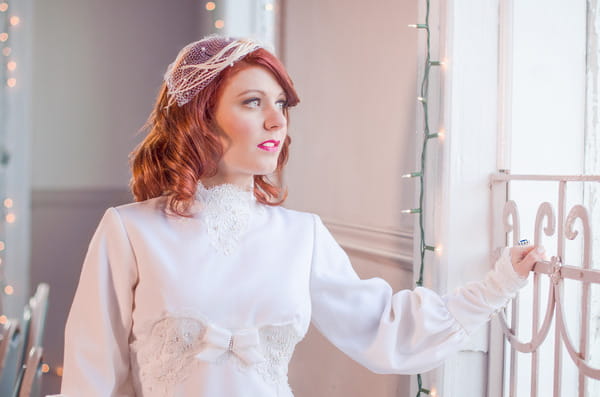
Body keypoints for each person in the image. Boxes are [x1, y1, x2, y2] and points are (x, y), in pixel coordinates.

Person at [59, 35, 545, 397]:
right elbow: (92, 373)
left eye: (281, 105)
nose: (276, 120)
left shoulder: (301, 235)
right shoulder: (129, 230)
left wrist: (497, 285)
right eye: (253, 102)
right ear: (200, 118)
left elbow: (385, 329)